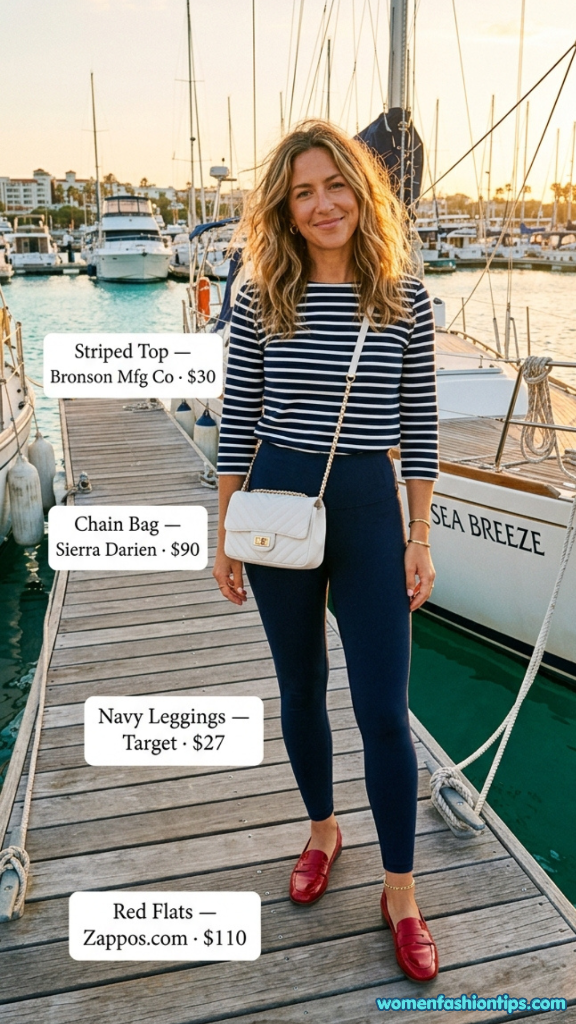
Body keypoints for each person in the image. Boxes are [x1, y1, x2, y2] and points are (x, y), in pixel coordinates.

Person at [213, 120, 439, 983]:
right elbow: (238, 418)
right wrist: (225, 532)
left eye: (335, 185)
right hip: (275, 501)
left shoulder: (404, 297)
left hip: (369, 509)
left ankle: (401, 892)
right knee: (300, 687)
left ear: (361, 190)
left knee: (384, 708)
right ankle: (322, 830)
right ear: (284, 206)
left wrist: (420, 535)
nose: (321, 205)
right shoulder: (261, 295)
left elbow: (420, 427)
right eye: (302, 192)